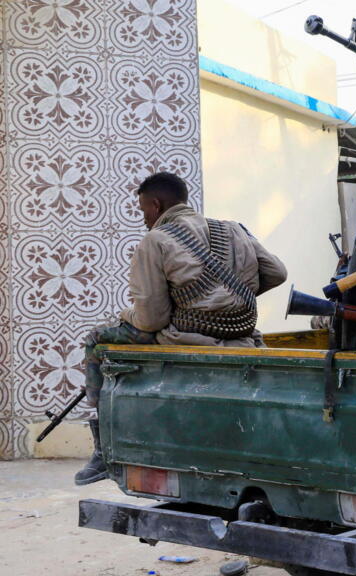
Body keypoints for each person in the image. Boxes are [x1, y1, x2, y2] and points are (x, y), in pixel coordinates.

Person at [76, 172, 288, 486]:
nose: (144, 219)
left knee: (95, 341)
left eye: (143, 210)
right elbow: (277, 272)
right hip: (238, 334)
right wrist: (227, 300)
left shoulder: (156, 240)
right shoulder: (232, 229)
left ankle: (103, 447)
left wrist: (127, 313)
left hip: (187, 337)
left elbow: (151, 320)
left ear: (156, 204)